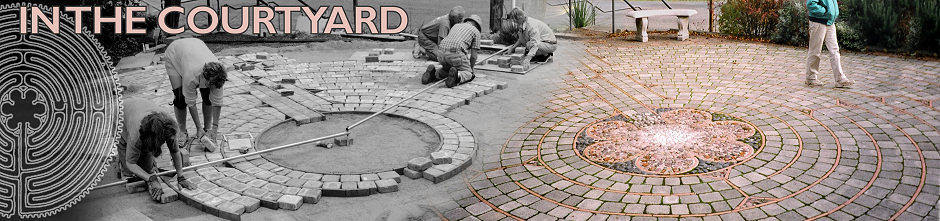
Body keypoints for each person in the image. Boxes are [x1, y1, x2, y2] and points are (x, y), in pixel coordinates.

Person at [118, 98, 194, 201]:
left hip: (141, 106)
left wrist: (180, 176)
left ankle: (145, 164)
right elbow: (130, 163)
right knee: (128, 161)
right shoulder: (136, 135)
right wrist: (151, 178)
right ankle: (125, 172)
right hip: (121, 113)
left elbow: (175, 151)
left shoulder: (170, 127)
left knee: (147, 166)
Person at [164, 38, 227, 152]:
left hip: (195, 46)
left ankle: (207, 128)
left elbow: (217, 103)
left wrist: (214, 128)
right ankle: (182, 131)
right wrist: (198, 128)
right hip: (174, 54)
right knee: (180, 98)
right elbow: (191, 103)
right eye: (210, 84)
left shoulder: (219, 74)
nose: (214, 87)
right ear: (204, 77)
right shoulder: (191, 75)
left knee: (207, 96)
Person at [421, 15, 484, 88]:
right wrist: (471, 69)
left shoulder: (456, 25)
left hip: (440, 51)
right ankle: (457, 76)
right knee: (468, 74)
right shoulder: (476, 31)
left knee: (447, 70)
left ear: (467, 20)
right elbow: (473, 56)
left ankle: (434, 74)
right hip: (455, 52)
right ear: (477, 26)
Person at [805, 0, 854, 88]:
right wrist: (825, 11)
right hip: (818, 22)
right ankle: (811, 78)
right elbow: (811, 4)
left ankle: (840, 79)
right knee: (815, 51)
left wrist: (833, 12)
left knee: (834, 50)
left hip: (830, 22)